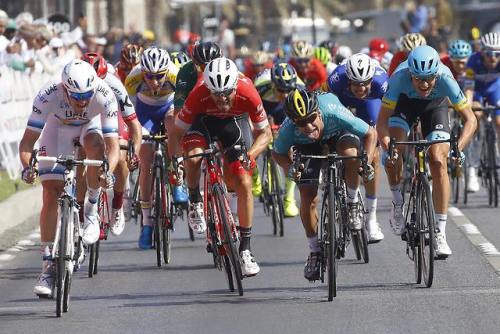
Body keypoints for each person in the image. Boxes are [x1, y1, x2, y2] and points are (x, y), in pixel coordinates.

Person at [19, 59, 120, 297]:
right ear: (64, 88)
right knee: (51, 192)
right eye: (76, 97)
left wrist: (108, 171)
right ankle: (47, 266)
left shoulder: (104, 94)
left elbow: (113, 146)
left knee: (96, 147)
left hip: (90, 128)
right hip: (58, 129)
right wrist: (27, 167)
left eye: (87, 95)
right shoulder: (48, 94)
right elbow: (27, 142)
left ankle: (91, 210)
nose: (82, 101)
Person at [170, 57, 272, 276]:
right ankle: (196, 199)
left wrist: (251, 155)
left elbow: (265, 134)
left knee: (244, 180)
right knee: (195, 157)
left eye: (227, 93)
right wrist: (177, 160)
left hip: (233, 124)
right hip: (202, 122)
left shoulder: (248, 92)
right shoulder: (198, 93)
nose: (223, 99)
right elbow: (177, 132)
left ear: (235, 86)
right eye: (217, 94)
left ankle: (245, 249)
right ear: (208, 88)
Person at [377, 45, 477, 258]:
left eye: (429, 78)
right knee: (396, 150)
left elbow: (471, 119)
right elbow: (382, 122)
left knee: (438, 160)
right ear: (410, 74)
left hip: (435, 106)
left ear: (436, 74)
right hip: (404, 105)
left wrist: (458, 147)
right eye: (418, 79)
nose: (424, 84)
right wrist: (388, 147)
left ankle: (440, 232)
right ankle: (397, 202)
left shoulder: (446, 78)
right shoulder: (398, 78)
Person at [272, 89, 377, 281]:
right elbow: (277, 153)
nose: (309, 125)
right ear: (294, 121)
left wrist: (366, 163)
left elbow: (371, 133)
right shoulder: (289, 128)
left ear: (318, 113)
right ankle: (314, 251)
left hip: (338, 132)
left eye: (311, 118)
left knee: (350, 154)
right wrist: (291, 170)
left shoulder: (333, 111)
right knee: (307, 195)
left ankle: (352, 202)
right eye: (302, 122)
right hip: (307, 146)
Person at [125, 46, 188, 249]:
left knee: (172, 127)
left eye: (159, 76)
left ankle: (177, 180)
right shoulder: (133, 80)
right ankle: (146, 224)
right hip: (144, 112)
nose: (154, 82)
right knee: (146, 165)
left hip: (169, 108)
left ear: (166, 72)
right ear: (142, 72)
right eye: (149, 76)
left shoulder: (175, 76)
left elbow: (182, 110)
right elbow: (129, 113)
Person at [327, 53, 388, 242]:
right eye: (356, 84)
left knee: (373, 158)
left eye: (364, 84)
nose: (361, 88)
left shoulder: (381, 83)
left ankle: (371, 219)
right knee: (349, 154)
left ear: (371, 79)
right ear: (348, 80)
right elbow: (327, 105)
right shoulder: (336, 79)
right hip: (343, 105)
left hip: (370, 105)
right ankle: (352, 203)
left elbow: (389, 111)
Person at [81, 52, 142, 235]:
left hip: (112, 117)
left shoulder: (114, 85)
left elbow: (133, 123)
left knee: (121, 157)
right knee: (81, 154)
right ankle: (79, 206)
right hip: (88, 117)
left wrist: (134, 152)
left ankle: (117, 204)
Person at [254, 62, 307, 217]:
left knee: (290, 150)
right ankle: (255, 174)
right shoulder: (261, 87)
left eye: (287, 90)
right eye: (280, 90)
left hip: (284, 109)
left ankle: (289, 199)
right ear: (273, 84)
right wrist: (263, 129)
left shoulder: (300, 89)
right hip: (264, 105)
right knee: (256, 136)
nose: (284, 94)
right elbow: (250, 114)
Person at [464, 32, 500, 167]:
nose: (493, 58)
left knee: (499, 122)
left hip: (495, 90)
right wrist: (467, 106)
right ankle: (475, 153)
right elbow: (468, 86)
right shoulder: (473, 61)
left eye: (497, 54)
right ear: (482, 52)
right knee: (476, 114)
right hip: (477, 91)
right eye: (489, 54)